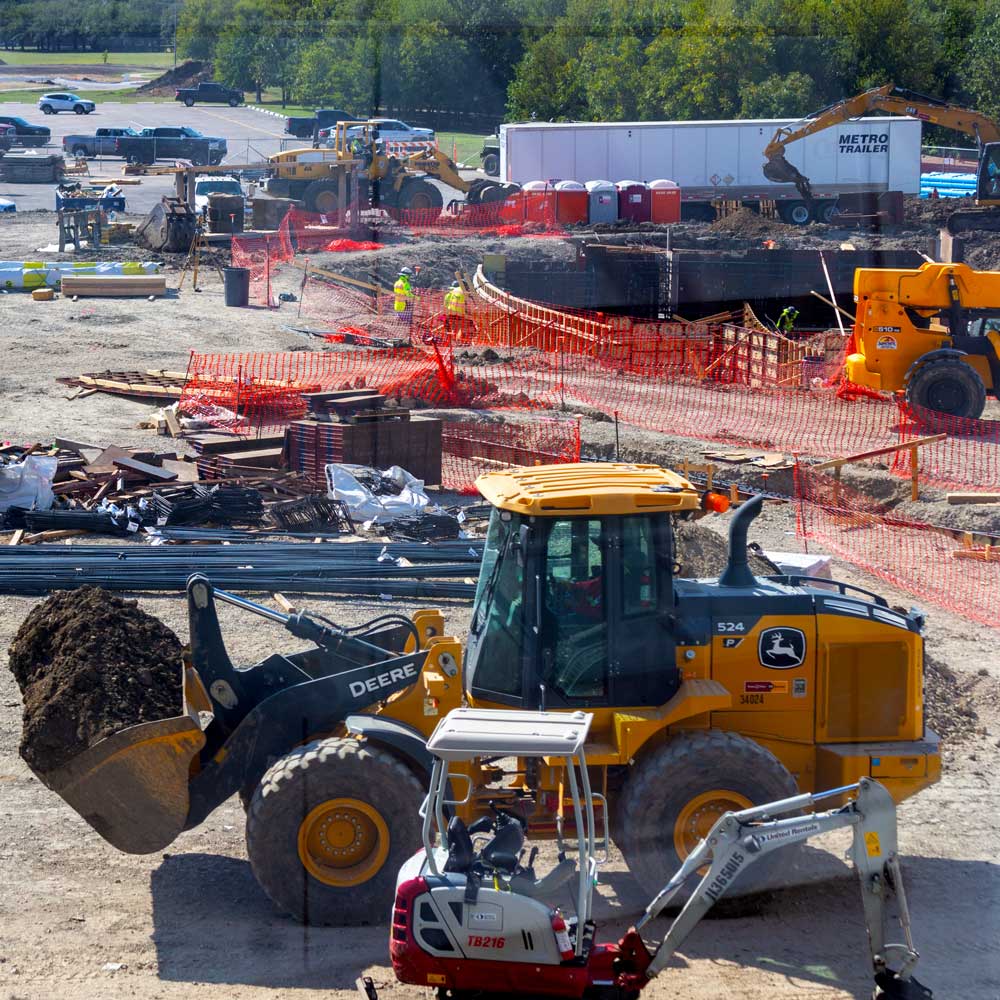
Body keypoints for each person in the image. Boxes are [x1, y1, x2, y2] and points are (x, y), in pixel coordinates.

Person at [394, 267, 414, 335]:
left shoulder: (397, 283)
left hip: (397, 305)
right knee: (406, 326)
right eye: (409, 276)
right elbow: (409, 295)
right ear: (406, 276)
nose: (409, 277)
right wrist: (417, 298)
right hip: (404, 306)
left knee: (398, 325)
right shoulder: (405, 283)